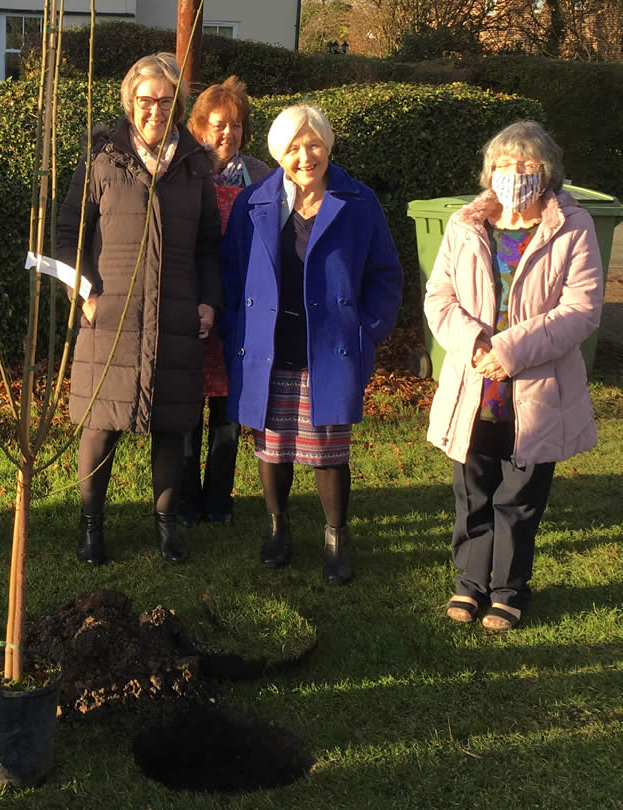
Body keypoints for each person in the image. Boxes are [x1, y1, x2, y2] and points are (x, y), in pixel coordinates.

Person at [425, 120, 602, 631]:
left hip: (535, 392)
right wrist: (476, 344)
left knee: (519, 498)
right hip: (473, 385)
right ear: (489, 173)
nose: (514, 175)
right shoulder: (465, 225)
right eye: (504, 165)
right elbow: (440, 298)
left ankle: (508, 590)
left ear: (546, 173)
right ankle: (469, 584)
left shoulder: (573, 226)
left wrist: (508, 351)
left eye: (526, 166)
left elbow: (582, 309)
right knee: (473, 490)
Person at [221, 104, 402, 584]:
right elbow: (231, 273)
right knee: (272, 447)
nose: (306, 156)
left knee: (329, 449)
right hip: (268, 346)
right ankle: (277, 529)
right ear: (278, 152)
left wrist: (368, 330)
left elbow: (385, 275)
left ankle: (336, 537)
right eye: (294, 147)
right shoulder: (253, 202)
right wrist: (236, 327)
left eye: (315, 144)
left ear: (328, 146)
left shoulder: (358, 202)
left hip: (330, 348)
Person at [57, 52, 222, 566]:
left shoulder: (195, 165)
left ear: (177, 106)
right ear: (131, 101)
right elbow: (68, 233)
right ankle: (91, 528)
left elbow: (209, 247)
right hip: (109, 315)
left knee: (171, 425)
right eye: (146, 99)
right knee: (100, 424)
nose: (155, 109)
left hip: (174, 315)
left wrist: (207, 301)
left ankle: (167, 528)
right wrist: (81, 291)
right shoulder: (102, 158)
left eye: (166, 100)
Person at [180, 76, 270, 527]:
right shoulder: (183, 171)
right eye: (218, 124)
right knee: (187, 405)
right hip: (193, 302)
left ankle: (219, 498)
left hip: (240, 308)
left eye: (235, 125)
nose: (227, 134)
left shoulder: (264, 176)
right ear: (198, 128)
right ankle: (185, 500)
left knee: (227, 409)